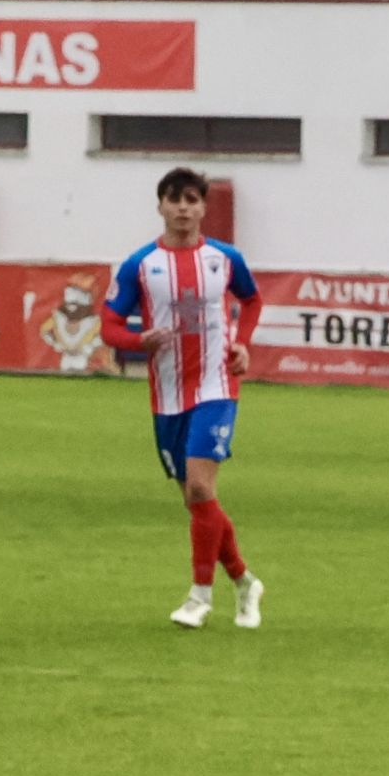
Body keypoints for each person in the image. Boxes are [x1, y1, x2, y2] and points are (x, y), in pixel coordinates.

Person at [100, 167, 265, 629]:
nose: (183, 209)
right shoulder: (140, 264)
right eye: (174, 200)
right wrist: (138, 341)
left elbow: (252, 301)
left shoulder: (225, 258)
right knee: (200, 500)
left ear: (203, 207)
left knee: (197, 487)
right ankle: (245, 581)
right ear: (160, 206)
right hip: (167, 394)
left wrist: (243, 342)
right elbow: (109, 324)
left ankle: (199, 597)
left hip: (216, 386)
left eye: (191, 200)